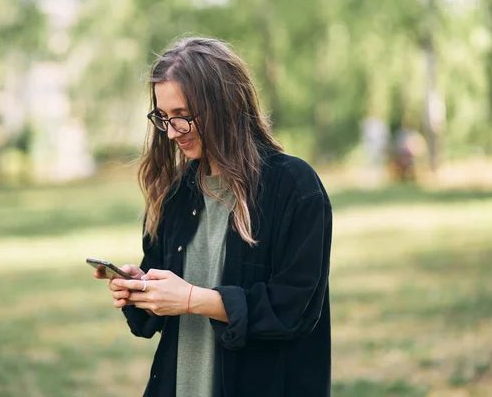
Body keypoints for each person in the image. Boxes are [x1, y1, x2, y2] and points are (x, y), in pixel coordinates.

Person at [94, 37, 333, 397]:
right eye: (164, 117)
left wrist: (192, 299)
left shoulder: (294, 187)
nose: (172, 132)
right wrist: (141, 287)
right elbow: (156, 317)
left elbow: (294, 309)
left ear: (230, 103)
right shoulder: (174, 193)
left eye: (183, 116)